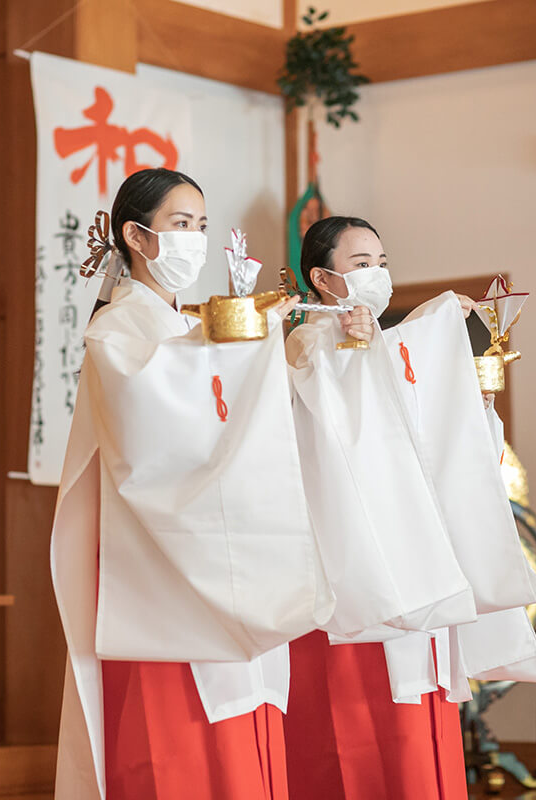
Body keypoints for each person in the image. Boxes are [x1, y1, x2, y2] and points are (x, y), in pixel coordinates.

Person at [50, 168, 333, 800]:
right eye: (181, 225)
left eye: (203, 226)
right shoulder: (118, 332)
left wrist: (252, 342)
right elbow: (155, 434)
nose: (196, 240)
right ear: (137, 236)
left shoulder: (191, 328)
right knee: (179, 756)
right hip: (159, 574)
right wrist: (243, 346)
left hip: (220, 556)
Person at [282, 216, 536, 799]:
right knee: (357, 729)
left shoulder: (386, 340)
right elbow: (338, 431)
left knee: (420, 719)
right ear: (323, 279)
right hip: (360, 555)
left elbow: (429, 426)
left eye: (381, 262)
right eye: (360, 265)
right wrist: (354, 349)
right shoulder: (308, 340)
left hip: (418, 545)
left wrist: (466, 386)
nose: (377, 275)